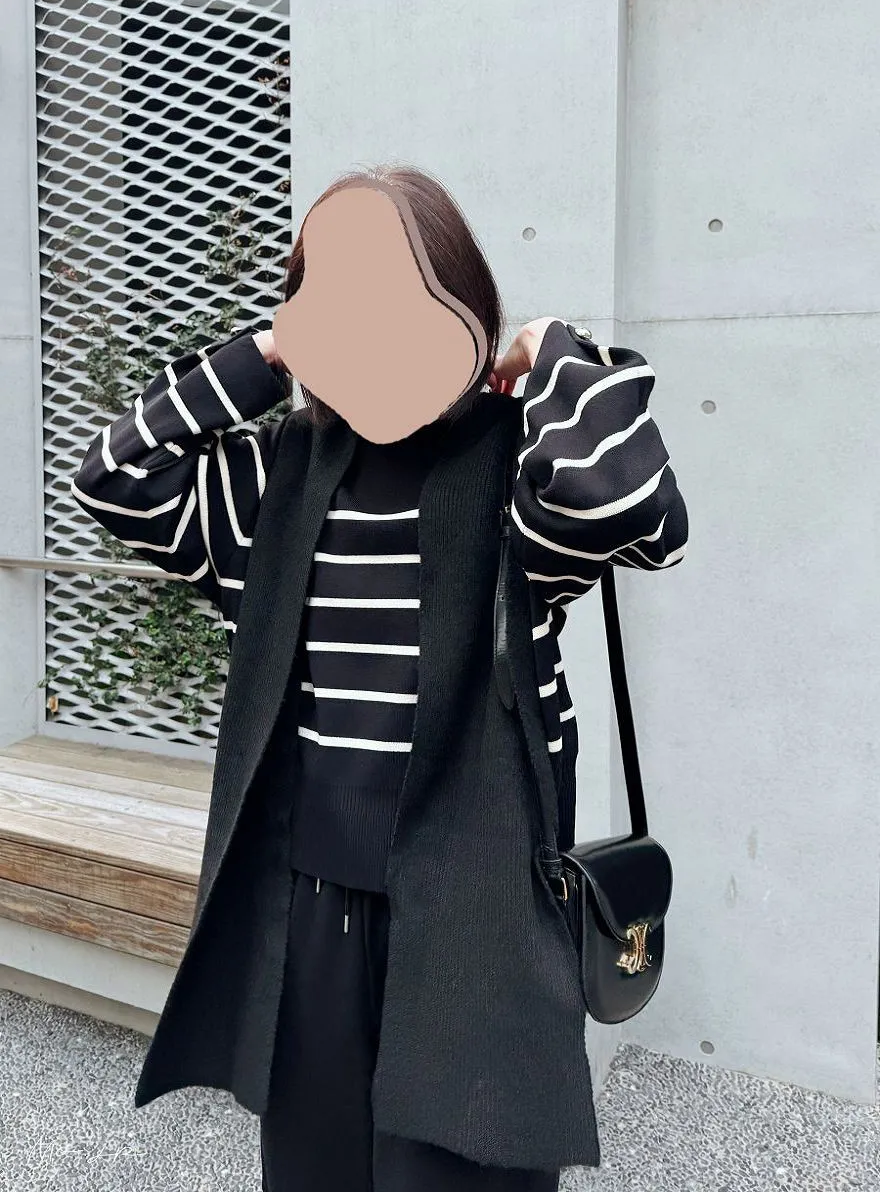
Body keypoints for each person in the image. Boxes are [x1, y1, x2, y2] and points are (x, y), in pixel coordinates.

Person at [71, 163, 688, 1192]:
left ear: (455, 298)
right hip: (312, 901)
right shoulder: (280, 475)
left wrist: (551, 351)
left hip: (477, 908)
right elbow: (115, 477)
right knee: (313, 1172)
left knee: (458, 1174)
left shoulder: (515, 469)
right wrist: (271, 351)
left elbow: (630, 505)